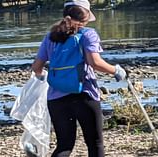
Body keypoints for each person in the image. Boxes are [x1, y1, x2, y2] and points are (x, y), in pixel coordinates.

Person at [31, 0, 127, 156]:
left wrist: (45, 76)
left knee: (64, 145)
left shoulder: (50, 37)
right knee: (95, 143)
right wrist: (116, 70)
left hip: (56, 98)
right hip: (85, 95)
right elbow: (94, 62)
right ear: (86, 16)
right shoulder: (88, 34)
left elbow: (36, 68)